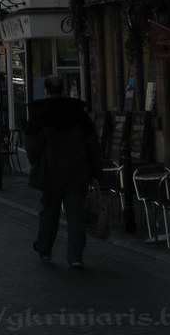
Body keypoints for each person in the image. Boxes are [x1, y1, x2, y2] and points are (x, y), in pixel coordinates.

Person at [24, 75, 101, 269]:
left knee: (49, 212)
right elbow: (92, 143)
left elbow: (31, 147)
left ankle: (44, 249)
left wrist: (38, 163)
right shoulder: (78, 114)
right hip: (77, 171)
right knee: (76, 214)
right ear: (63, 90)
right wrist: (95, 170)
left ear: (47, 91)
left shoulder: (40, 114)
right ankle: (75, 256)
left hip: (51, 171)